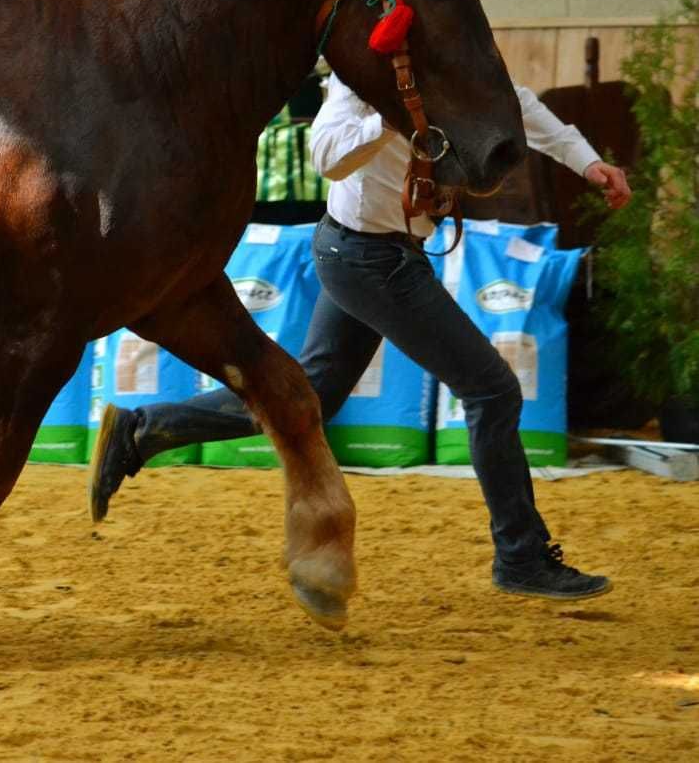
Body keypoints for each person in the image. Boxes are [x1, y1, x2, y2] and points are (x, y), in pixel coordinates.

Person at [89, 71, 633, 600]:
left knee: (311, 396)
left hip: (376, 254)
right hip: (367, 257)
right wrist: (390, 121)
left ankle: (141, 432)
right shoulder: (361, 81)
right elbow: (325, 156)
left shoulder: (448, 66)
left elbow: (516, 104)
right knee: (492, 390)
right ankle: (521, 556)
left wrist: (586, 163)